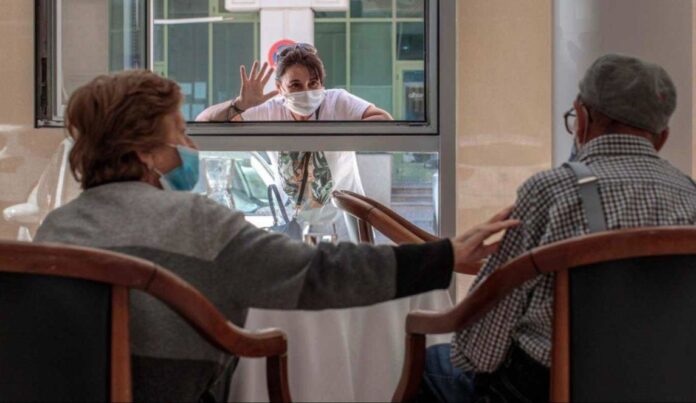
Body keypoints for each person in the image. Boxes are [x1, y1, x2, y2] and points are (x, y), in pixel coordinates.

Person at [34, 70, 518, 402]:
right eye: (179, 133)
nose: (190, 145)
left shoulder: (57, 229)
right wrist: (443, 255)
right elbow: (319, 273)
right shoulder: (197, 222)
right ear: (144, 152)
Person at [419, 53, 696, 403]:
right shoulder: (691, 197)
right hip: (668, 386)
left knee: (432, 365)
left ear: (581, 119)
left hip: (549, 389)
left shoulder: (550, 191)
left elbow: (479, 353)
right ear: (662, 137)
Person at [196, 44, 392, 241]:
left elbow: (384, 121)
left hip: (344, 218)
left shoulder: (337, 101)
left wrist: (338, 134)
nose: (306, 91)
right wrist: (239, 105)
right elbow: (203, 123)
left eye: (313, 83)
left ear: (322, 85)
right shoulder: (270, 110)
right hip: (292, 222)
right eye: (295, 85)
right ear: (280, 88)